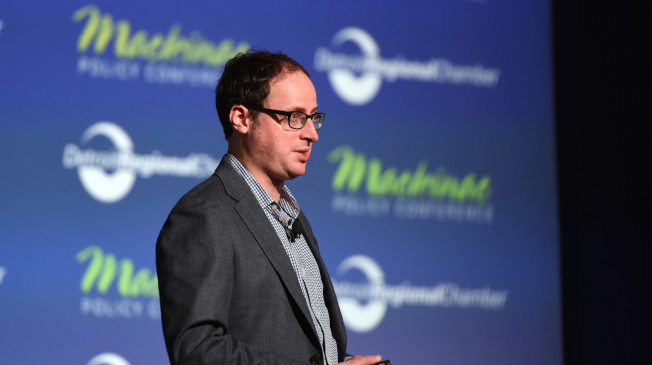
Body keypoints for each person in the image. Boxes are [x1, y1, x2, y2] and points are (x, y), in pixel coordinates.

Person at [156, 50, 384, 365]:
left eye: (313, 117)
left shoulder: (293, 215)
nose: (312, 134)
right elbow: (198, 351)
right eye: (295, 117)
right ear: (242, 118)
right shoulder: (204, 215)